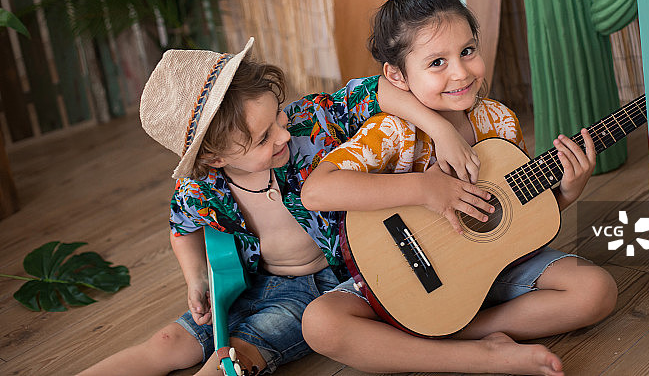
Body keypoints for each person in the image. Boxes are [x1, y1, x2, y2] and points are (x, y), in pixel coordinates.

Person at [77, 37, 478, 376]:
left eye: (278, 118)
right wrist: (195, 277)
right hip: (250, 283)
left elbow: (374, 90)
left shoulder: (310, 124)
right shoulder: (200, 188)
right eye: (262, 139)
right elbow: (181, 227)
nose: (283, 135)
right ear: (215, 158)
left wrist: (440, 128)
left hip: (322, 288)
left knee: (236, 355)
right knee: (166, 343)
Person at [300, 0, 618, 376]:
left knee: (596, 290)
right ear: (397, 76)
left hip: (489, 271)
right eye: (437, 62)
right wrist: (425, 189)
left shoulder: (499, 120)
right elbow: (316, 191)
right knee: (320, 322)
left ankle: (453, 333)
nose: (461, 72)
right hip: (409, 278)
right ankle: (482, 357)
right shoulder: (394, 131)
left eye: (468, 51)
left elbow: (514, 219)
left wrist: (566, 193)